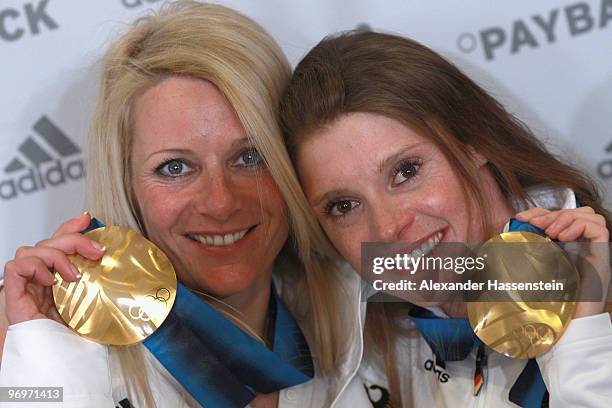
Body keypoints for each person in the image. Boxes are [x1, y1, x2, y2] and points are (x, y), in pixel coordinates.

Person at [0, 3, 370, 407]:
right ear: (126, 182)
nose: (220, 202)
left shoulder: (365, 293)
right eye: (175, 167)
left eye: (250, 156)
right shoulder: (33, 327)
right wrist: (45, 352)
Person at [280, 30, 612, 407]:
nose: (387, 227)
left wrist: (582, 346)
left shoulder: (596, 299)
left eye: (406, 171)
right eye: (343, 205)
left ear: (476, 141)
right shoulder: (357, 343)